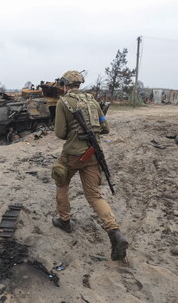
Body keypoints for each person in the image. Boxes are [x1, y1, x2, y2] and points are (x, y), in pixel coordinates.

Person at [51, 70, 128, 261]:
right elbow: (105, 128)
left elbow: (60, 133)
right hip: (93, 154)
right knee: (94, 195)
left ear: (65, 85)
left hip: (73, 155)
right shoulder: (93, 101)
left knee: (62, 184)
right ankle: (114, 232)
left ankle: (64, 220)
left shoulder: (64, 102)